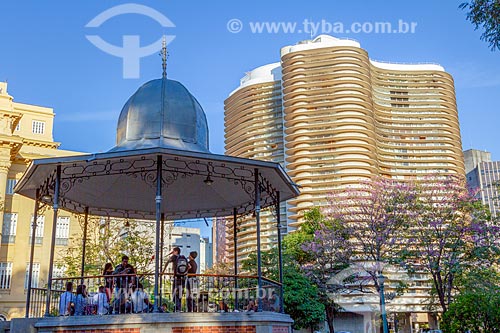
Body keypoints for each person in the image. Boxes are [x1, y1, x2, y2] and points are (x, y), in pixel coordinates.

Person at [162, 247, 184, 312]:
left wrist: (163, 271)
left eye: (173, 251)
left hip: (176, 278)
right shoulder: (183, 257)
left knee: (174, 294)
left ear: (176, 251)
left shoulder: (174, 257)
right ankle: (178, 308)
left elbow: (167, 262)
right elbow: (188, 266)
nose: (172, 252)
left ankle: (177, 308)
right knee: (180, 294)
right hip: (182, 278)